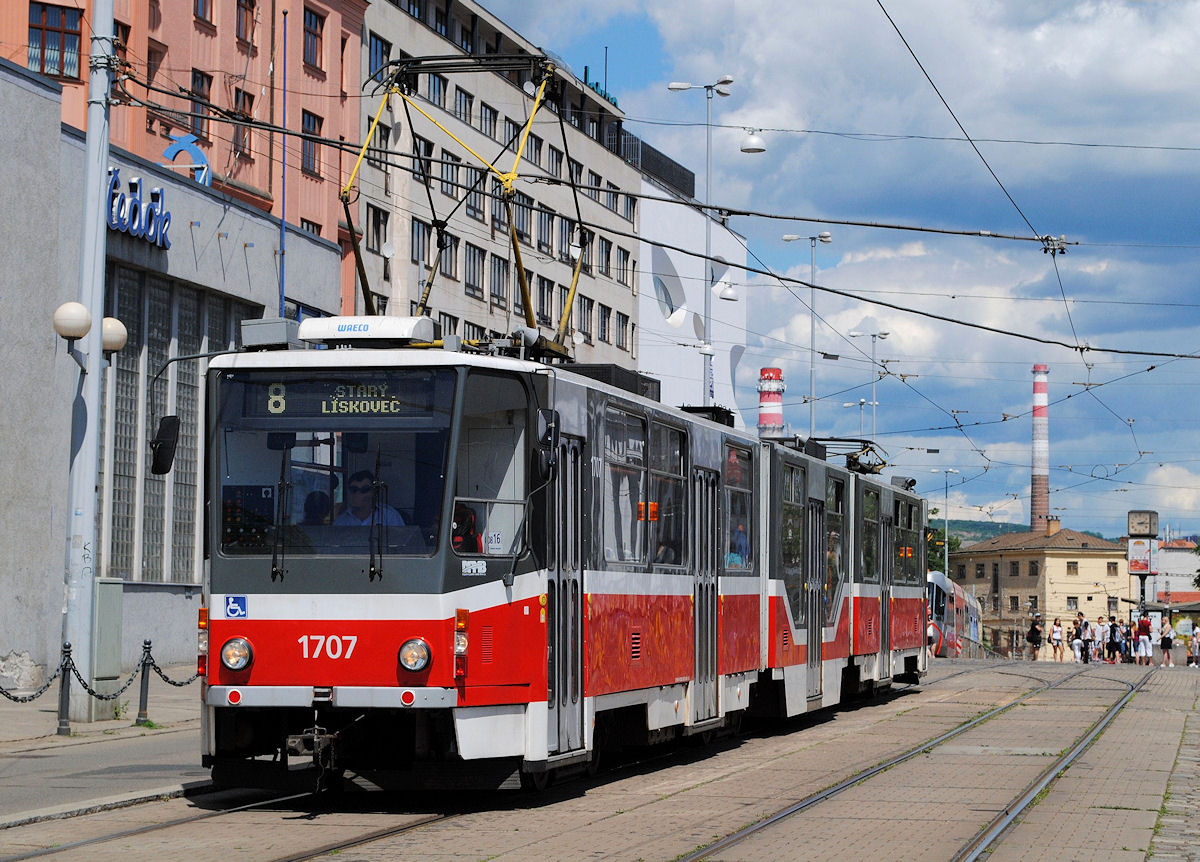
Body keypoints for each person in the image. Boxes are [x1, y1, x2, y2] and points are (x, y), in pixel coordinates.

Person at [333, 470, 405, 527]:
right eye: (354, 489)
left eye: (365, 489)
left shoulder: (389, 516)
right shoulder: (341, 521)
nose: (358, 494)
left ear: (374, 492)